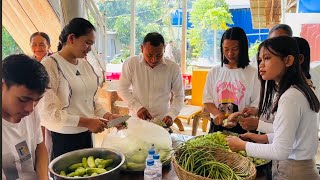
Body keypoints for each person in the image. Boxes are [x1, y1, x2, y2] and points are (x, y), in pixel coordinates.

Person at [227, 36, 320, 179]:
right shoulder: (298, 90)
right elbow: (288, 131)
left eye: (267, 58)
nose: (261, 65)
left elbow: (280, 151)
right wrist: (263, 137)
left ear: (288, 60)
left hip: (294, 171)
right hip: (298, 168)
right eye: (260, 60)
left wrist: (242, 145)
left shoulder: (290, 97)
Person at [39, 17, 121, 159]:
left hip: (86, 135)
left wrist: (108, 116)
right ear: (71, 38)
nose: (90, 48)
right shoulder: (50, 65)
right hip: (62, 137)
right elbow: (48, 112)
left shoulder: (85, 65)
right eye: (87, 43)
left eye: (92, 44)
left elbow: (92, 102)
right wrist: (87, 121)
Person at [117, 32, 184, 128]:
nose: (154, 59)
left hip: (162, 122)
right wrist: (137, 108)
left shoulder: (173, 68)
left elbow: (179, 96)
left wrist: (171, 115)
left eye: (159, 55)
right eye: (149, 55)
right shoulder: (131, 64)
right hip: (136, 120)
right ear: (141, 48)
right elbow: (122, 89)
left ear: (164, 48)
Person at [202, 27, 260, 134]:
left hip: (244, 127)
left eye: (235, 49)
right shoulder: (214, 72)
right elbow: (207, 101)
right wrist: (217, 114)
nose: (230, 54)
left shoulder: (253, 73)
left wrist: (242, 115)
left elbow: (256, 105)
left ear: (243, 48)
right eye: (226, 49)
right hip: (218, 125)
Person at [2, 54, 50, 180]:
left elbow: (39, 147)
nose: (30, 109)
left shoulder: (31, 109)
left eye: (37, 100)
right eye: (23, 99)